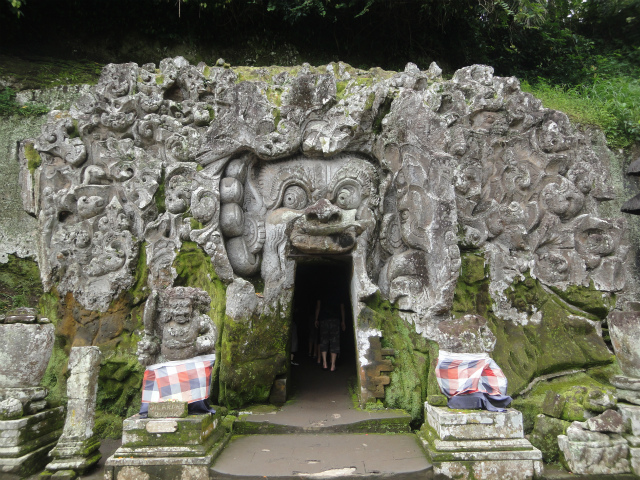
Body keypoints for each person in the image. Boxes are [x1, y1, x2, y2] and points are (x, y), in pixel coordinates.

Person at [315, 293, 346, 372]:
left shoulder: (321, 293)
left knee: (324, 341)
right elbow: (342, 308)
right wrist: (343, 321)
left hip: (324, 320)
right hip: (335, 320)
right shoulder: (339, 293)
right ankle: (332, 366)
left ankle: (324, 364)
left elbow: (318, 307)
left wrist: (316, 319)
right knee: (334, 342)